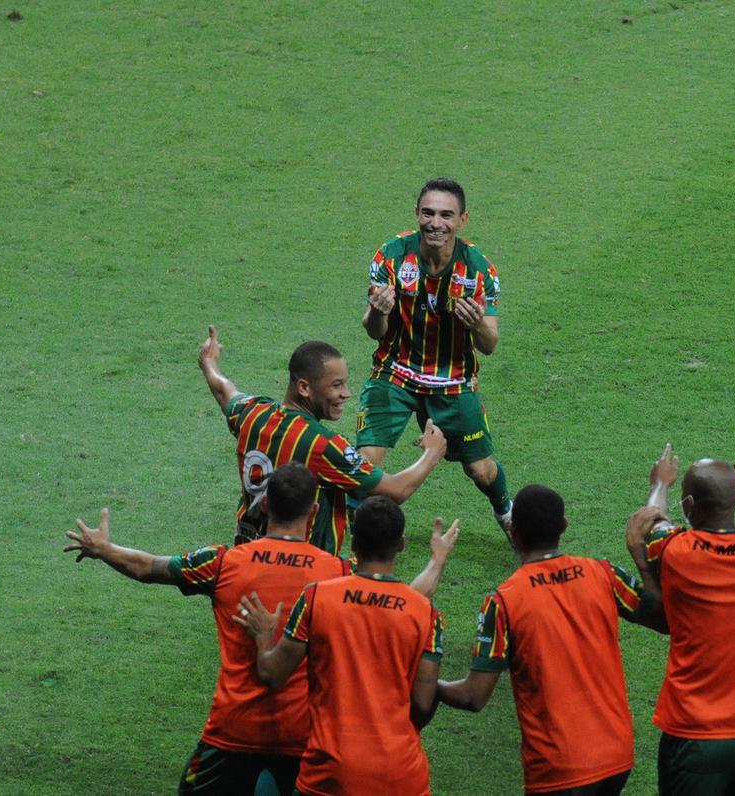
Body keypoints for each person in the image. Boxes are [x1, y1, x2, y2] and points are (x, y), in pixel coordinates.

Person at [62, 466, 344, 795]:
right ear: (314, 511)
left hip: (232, 731)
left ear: (265, 504)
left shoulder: (223, 562)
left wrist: (104, 549)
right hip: (303, 735)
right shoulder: (337, 574)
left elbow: (148, 568)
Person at [627, 331, 735, 796]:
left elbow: (652, 520)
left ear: (689, 504)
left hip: (694, 736)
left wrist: (659, 483)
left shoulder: (677, 552)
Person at [436, 484, 665, 796]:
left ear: (513, 531)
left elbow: (473, 696)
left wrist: (427, 683)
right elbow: (663, 618)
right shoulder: (603, 574)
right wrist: (640, 556)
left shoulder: (503, 602)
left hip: (559, 769)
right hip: (617, 756)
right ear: (564, 525)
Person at [235, 495, 446, 796]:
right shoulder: (426, 613)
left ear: (353, 542)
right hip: (401, 775)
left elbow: (272, 674)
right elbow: (423, 705)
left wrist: (263, 635)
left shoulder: (317, 598)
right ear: (400, 545)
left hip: (330, 772)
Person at [198, 324, 446, 552]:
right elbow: (395, 490)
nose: (346, 393)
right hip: (301, 572)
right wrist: (431, 453)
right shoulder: (322, 445)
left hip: (247, 555)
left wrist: (209, 362)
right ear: (304, 388)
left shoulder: (252, 413)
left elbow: (224, 391)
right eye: (336, 385)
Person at [357, 177, 512, 537]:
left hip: (454, 381)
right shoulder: (391, 256)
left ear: (462, 219)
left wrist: (477, 326)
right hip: (394, 373)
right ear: (416, 214)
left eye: (446, 215)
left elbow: (489, 345)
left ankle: (506, 512)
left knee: (481, 471)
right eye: (428, 213)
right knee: (366, 464)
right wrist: (378, 311)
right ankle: (359, 535)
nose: (435, 223)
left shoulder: (479, 271)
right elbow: (374, 331)